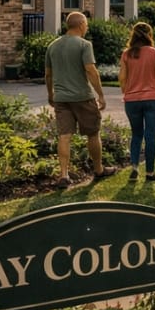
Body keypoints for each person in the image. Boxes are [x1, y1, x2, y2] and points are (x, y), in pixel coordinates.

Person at [45, 11, 116, 187]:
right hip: (83, 97)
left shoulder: (52, 46)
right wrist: (100, 94)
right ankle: (99, 170)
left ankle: (63, 175)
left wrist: (51, 94)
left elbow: (48, 74)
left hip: (61, 99)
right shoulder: (84, 45)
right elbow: (91, 70)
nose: (87, 27)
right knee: (93, 133)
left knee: (64, 136)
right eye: (87, 24)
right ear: (81, 25)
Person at [119, 22, 155, 182]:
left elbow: (122, 77)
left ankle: (135, 167)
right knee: (150, 137)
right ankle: (150, 173)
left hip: (132, 101)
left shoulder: (126, 54)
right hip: (153, 100)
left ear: (133, 35)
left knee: (136, 135)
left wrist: (126, 91)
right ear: (150, 35)